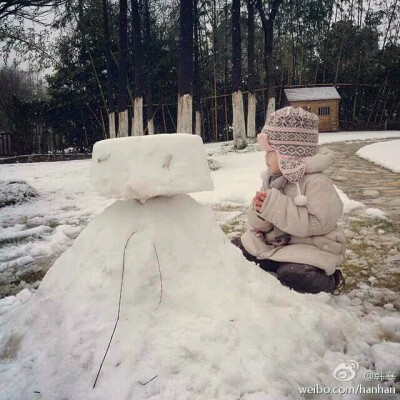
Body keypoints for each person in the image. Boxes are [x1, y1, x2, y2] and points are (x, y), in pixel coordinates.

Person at [232, 106, 346, 295]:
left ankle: (331, 280)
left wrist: (275, 206)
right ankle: (275, 267)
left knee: (295, 275)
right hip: (276, 245)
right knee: (236, 249)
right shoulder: (272, 179)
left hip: (309, 249)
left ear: (289, 153)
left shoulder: (317, 182)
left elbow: (320, 224)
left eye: (271, 151)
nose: (265, 157)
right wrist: (261, 211)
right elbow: (261, 225)